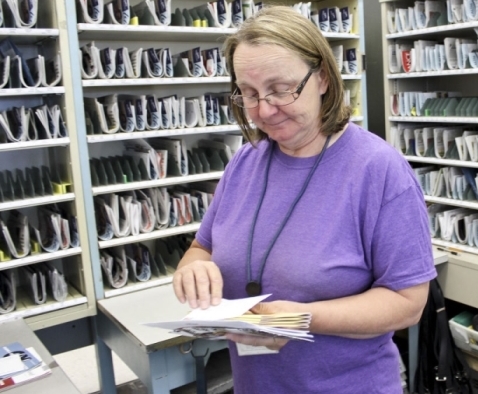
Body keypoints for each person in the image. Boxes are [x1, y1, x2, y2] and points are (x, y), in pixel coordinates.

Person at [172, 6, 436, 393]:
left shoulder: (378, 171)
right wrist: (192, 268)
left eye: (281, 90)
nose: (264, 109)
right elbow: (202, 246)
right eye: (249, 93)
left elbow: (408, 303)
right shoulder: (246, 161)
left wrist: (303, 318)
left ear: (323, 79)